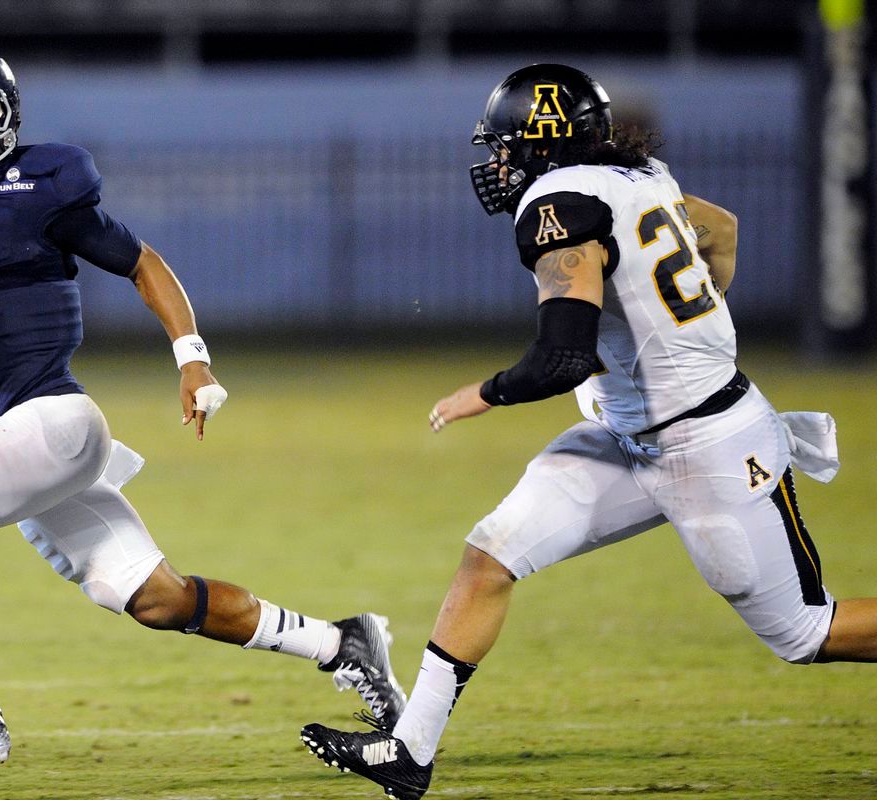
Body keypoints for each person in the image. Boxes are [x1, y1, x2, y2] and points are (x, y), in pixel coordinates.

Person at [300, 63, 877, 800]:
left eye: (506, 146)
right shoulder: (637, 178)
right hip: (629, 437)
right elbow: (720, 230)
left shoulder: (559, 205)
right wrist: (685, 321)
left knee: (805, 633)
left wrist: (480, 394)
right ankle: (408, 753)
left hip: (707, 447)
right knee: (491, 555)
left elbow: (562, 358)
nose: (497, 162)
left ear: (543, 144)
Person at [0, 41, 405, 768]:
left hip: (55, 420)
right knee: (154, 599)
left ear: (0, 117)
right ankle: (344, 643)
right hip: (6, 427)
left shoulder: (45, 182)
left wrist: (192, 359)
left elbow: (141, 262)